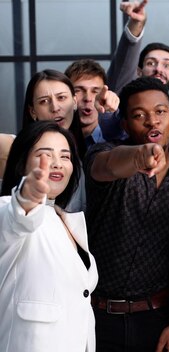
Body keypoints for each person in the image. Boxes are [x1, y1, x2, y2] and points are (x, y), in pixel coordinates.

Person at [85, 77, 169, 352]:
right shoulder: (104, 154)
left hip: (156, 318)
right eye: (140, 116)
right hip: (95, 317)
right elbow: (108, 166)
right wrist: (141, 156)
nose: (152, 121)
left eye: (160, 112)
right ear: (125, 124)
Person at [0, 121, 98, 352]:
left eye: (65, 156)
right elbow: (19, 217)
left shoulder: (64, 219)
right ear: (22, 162)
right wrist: (28, 193)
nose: (56, 164)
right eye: (45, 155)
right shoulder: (7, 209)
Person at [20, 69, 89, 212]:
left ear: (74, 101)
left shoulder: (88, 152)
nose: (55, 108)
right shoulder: (19, 150)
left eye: (61, 98)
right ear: (33, 111)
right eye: (44, 101)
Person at [64, 59, 120, 147]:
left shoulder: (117, 138)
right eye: (78, 90)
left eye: (95, 91)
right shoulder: (55, 140)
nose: (88, 98)